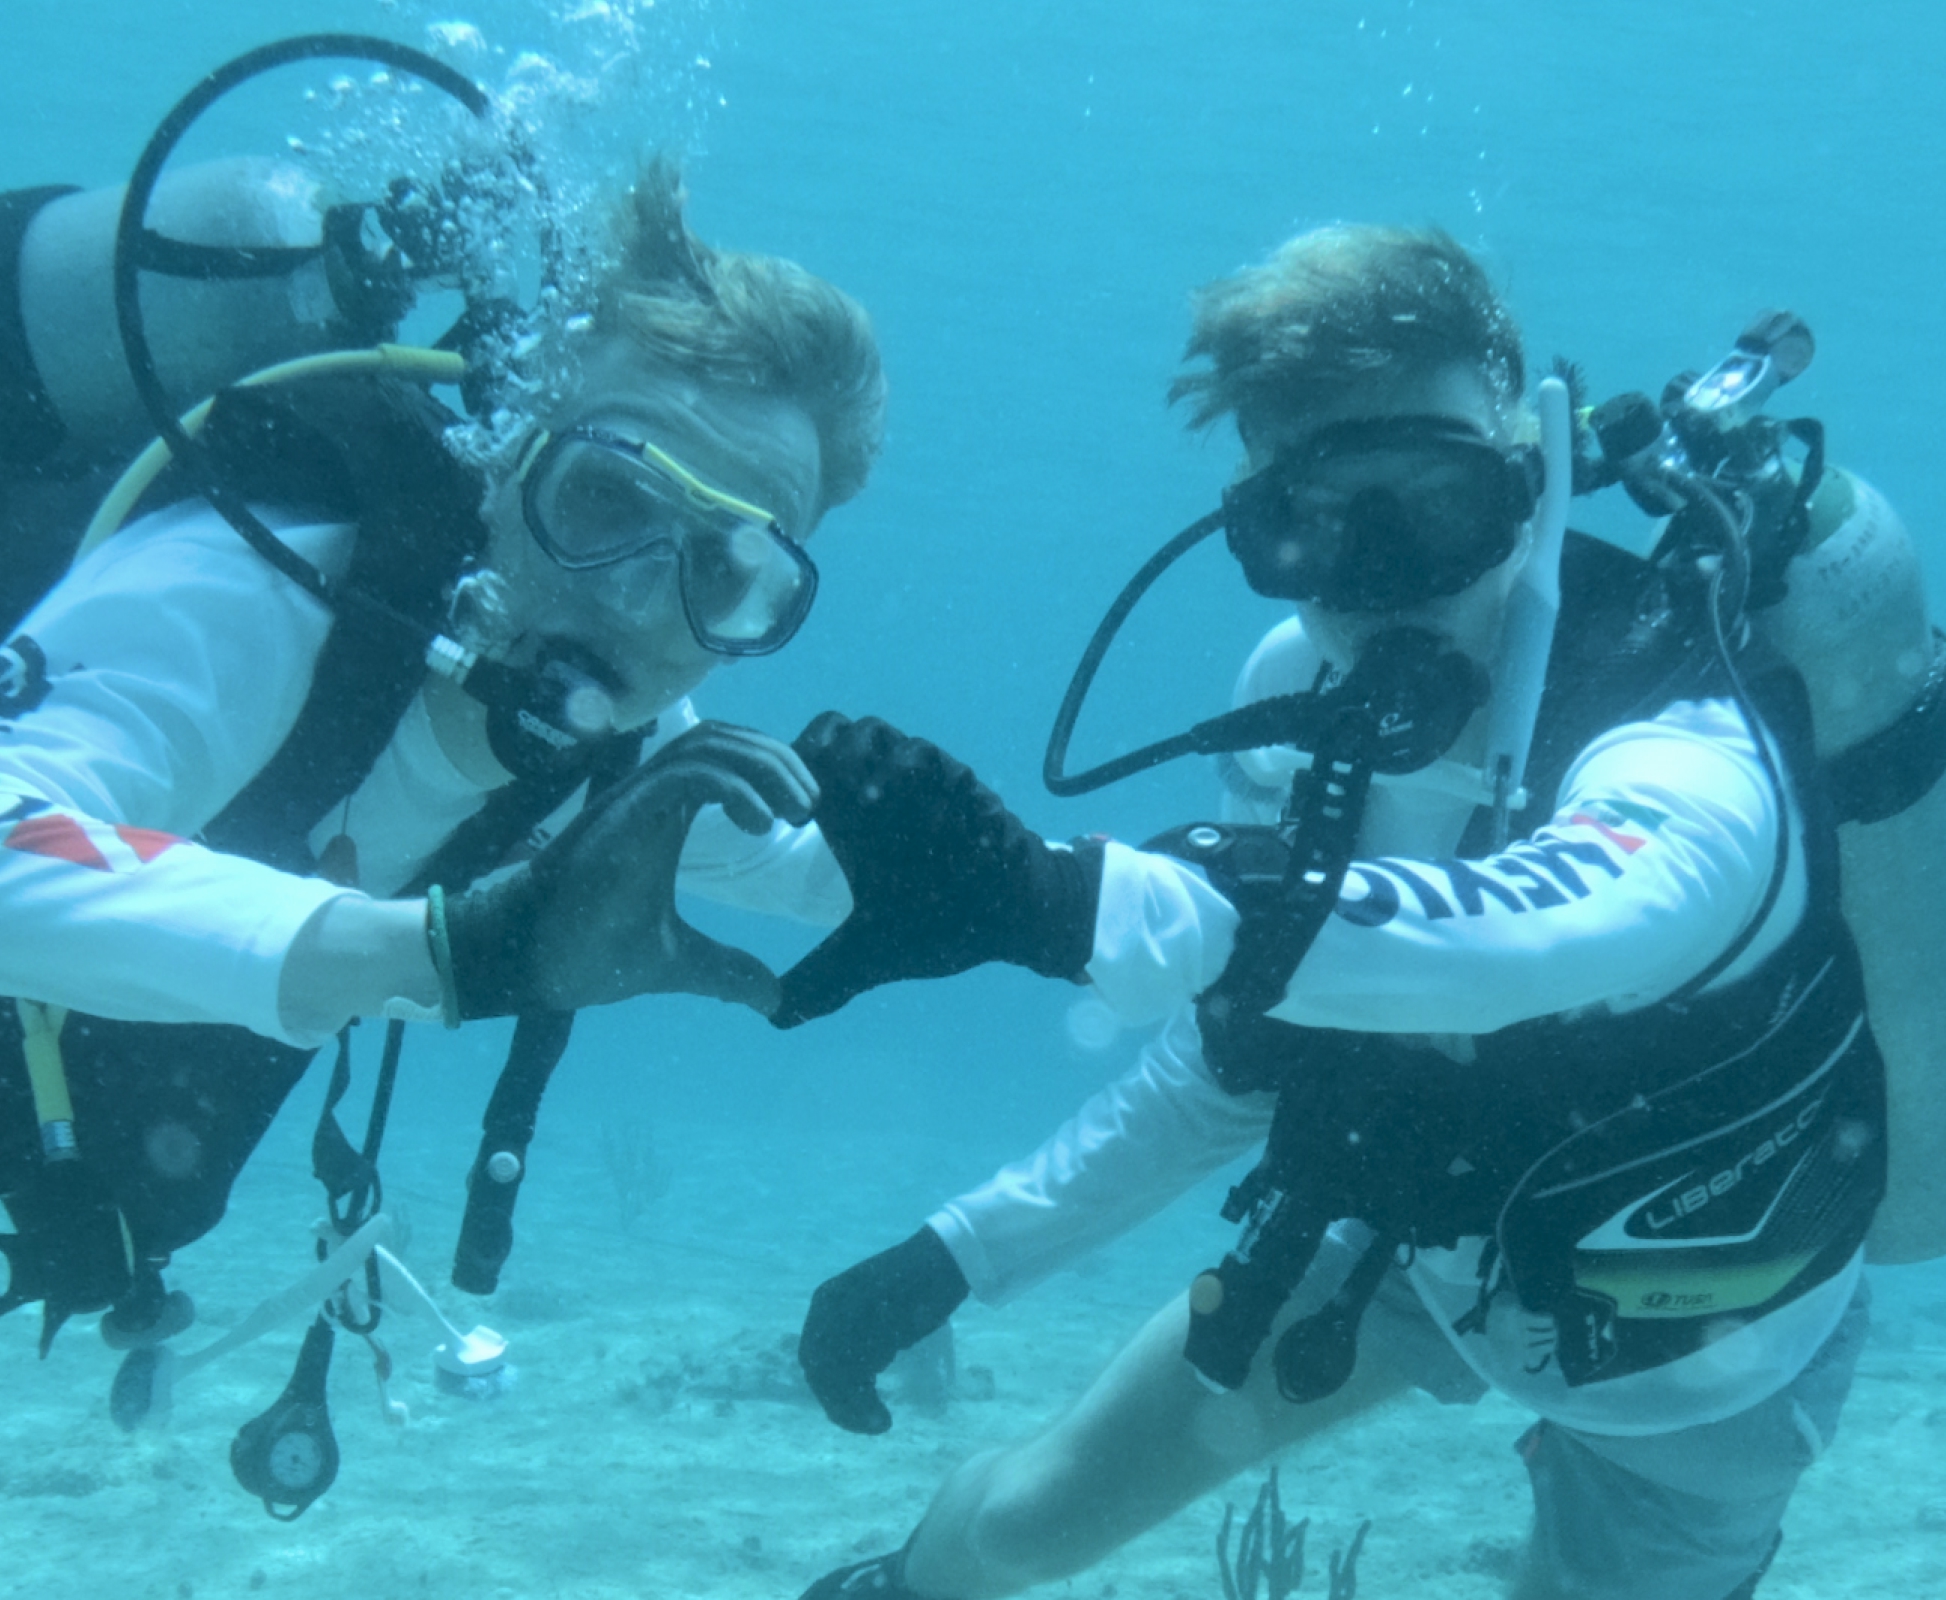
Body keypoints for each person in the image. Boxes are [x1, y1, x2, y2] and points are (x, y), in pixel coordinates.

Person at [0, 158, 882, 1365]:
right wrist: (437, 953)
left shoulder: (631, 756)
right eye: (604, 500)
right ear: (502, 459)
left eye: (729, 571)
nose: (645, 603)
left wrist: (1039, 895)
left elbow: (831, 882)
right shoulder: (268, 587)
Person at [777, 226, 1901, 1600]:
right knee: (1011, 1526)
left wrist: (1077, 899)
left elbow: (1536, 931)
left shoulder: (1687, 719)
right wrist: (962, 1252)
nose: (1378, 584)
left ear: (1530, 474)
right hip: (1407, 1258)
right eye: (1307, 526)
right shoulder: (1298, 706)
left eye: (1429, 504)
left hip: (1700, 1358)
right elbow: (1247, 1050)